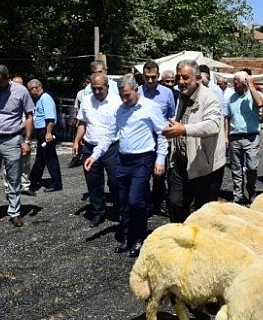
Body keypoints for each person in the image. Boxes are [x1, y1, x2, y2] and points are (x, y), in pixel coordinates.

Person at [84, 75, 167, 257]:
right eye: (122, 96)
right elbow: (109, 135)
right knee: (123, 202)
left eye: (128, 95)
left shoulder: (151, 107)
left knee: (136, 200)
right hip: (123, 160)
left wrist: (160, 160)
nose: (125, 99)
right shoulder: (120, 110)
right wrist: (95, 155)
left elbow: (162, 134)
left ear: (136, 90)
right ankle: (127, 238)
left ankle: (139, 238)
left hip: (143, 159)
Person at [162, 60, 226, 223]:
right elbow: (180, 121)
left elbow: (213, 126)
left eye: (185, 77)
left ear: (197, 78)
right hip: (181, 161)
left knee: (203, 211)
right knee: (175, 203)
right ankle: (180, 238)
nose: (180, 82)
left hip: (205, 166)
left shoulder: (210, 98)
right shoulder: (182, 96)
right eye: (178, 78)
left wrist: (183, 129)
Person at [0, 64, 34, 230]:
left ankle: (15, 212)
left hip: (13, 139)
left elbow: (29, 116)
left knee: (13, 178)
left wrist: (27, 141)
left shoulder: (21, 91)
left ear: (7, 78)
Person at [73, 72, 121, 228]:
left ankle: (119, 210)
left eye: (100, 88)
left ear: (107, 86)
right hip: (90, 146)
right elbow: (82, 123)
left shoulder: (117, 101)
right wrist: (76, 141)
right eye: (94, 88)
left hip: (111, 147)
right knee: (93, 182)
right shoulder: (86, 101)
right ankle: (98, 212)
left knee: (115, 180)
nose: (97, 91)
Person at [141, 61, 176, 216]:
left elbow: (171, 115)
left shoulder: (167, 93)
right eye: (147, 77)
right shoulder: (138, 92)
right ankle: (145, 204)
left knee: (160, 173)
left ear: (158, 76)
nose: (150, 81)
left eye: (153, 77)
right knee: (143, 173)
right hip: (143, 139)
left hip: (161, 139)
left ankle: (158, 202)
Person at [225, 71, 263, 205]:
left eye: (236, 83)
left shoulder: (254, 95)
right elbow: (227, 118)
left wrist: (251, 84)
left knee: (252, 167)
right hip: (235, 137)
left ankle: (251, 190)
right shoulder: (230, 98)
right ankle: (238, 197)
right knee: (236, 169)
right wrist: (226, 136)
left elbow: (259, 103)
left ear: (243, 84)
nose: (233, 86)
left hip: (251, 137)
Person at [26, 78, 62, 193]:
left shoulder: (46, 98)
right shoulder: (39, 99)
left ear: (36, 88)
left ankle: (56, 183)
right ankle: (32, 181)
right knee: (40, 158)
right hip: (41, 132)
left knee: (50, 158)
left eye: (30, 90)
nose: (30, 93)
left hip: (46, 131)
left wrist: (48, 132)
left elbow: (50, 118)